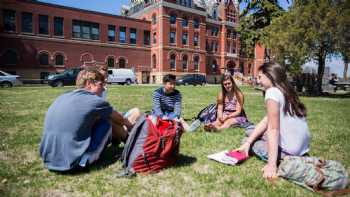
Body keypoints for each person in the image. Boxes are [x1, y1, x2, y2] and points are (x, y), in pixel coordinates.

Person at [40, 69, 141, 172]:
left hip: (48, 160)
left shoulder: (62, 97)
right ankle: (129, 143)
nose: (103, 89)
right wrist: (130, 125)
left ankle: (127, 140)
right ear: (89, 83)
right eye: (101, 85)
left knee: (105, 119)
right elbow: (120, 119)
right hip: (73, 163)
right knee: (106, 123)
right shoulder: (94, 101)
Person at [235, 62, 311, 180]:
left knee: (248, 139)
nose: (258, 81)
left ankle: (281, 158)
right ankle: (251, 141)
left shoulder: (271, 92)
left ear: (270, 75)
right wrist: (248, 142)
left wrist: (271, 165)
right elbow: (267, 120)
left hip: (290, 152)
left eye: (260, 77)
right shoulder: (286, 92)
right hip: (302, 148)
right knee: (250, 131)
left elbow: (273, 129)